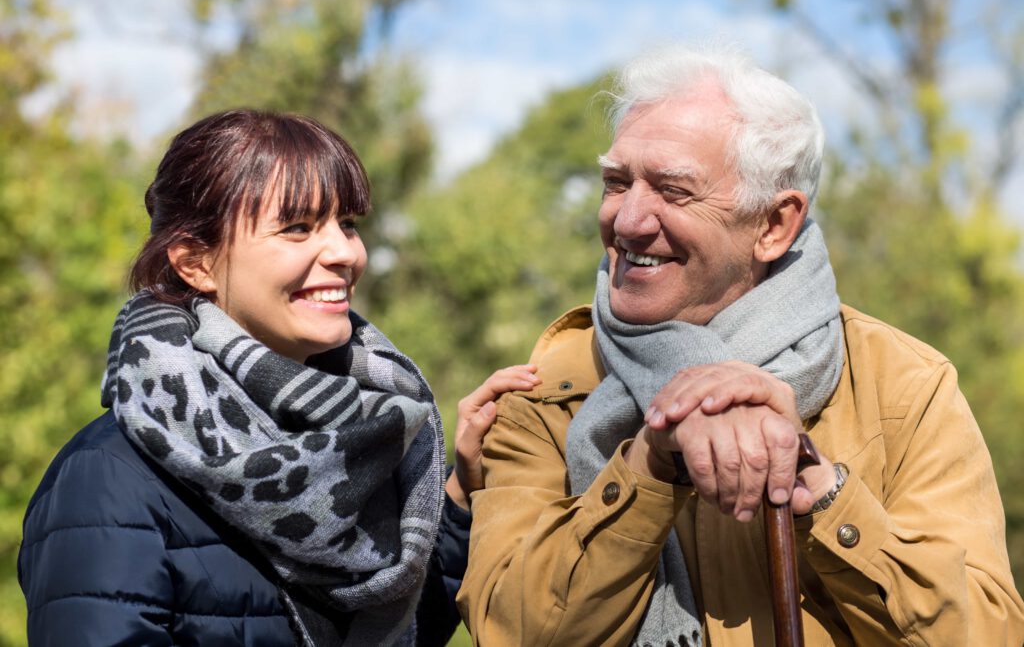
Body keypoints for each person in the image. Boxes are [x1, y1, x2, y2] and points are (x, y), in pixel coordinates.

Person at [458, 44, 1024, 646]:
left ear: (774, 225)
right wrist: (651, 460)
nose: (626, 221)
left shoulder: (905, 384)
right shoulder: (544, 391)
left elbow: (989, 633)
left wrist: (823, 497)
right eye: (617, 183)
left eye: (674, 191)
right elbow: (511, 632)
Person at [17, 109, 539, 646]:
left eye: (348, 224)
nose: (345, 252)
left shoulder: (369, 438)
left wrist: (457, 494)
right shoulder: (106, 481)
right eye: (297, 228)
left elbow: (390, 632)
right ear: (196, 262)